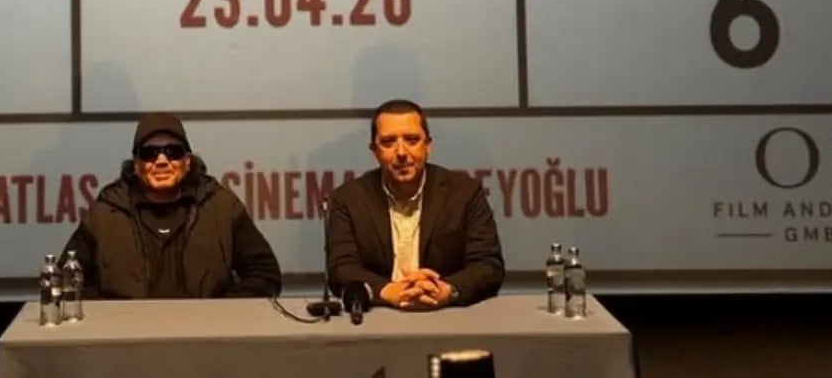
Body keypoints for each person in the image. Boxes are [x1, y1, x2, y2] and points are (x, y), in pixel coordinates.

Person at [60, 112, 282, 299]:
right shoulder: (104, 214)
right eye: (150, 153)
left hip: (206, 334)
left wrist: (221, 314)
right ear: (136, 165)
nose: (162, 161)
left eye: (173, 152)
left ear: (188, 161)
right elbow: (65, 282)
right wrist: (111, 318)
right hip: (127, 334)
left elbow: (265, 274)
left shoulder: (222, 206)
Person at [326, 99, 505, 308]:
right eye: (389, 142)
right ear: (375, 150)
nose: (401, 152)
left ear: (428, 145)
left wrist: (447, 290)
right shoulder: (348, 199)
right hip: (379, 317)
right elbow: (341, 269)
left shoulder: (465, 192)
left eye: (412, 140)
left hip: (449, 317)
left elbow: (487, 266)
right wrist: (386, 290)